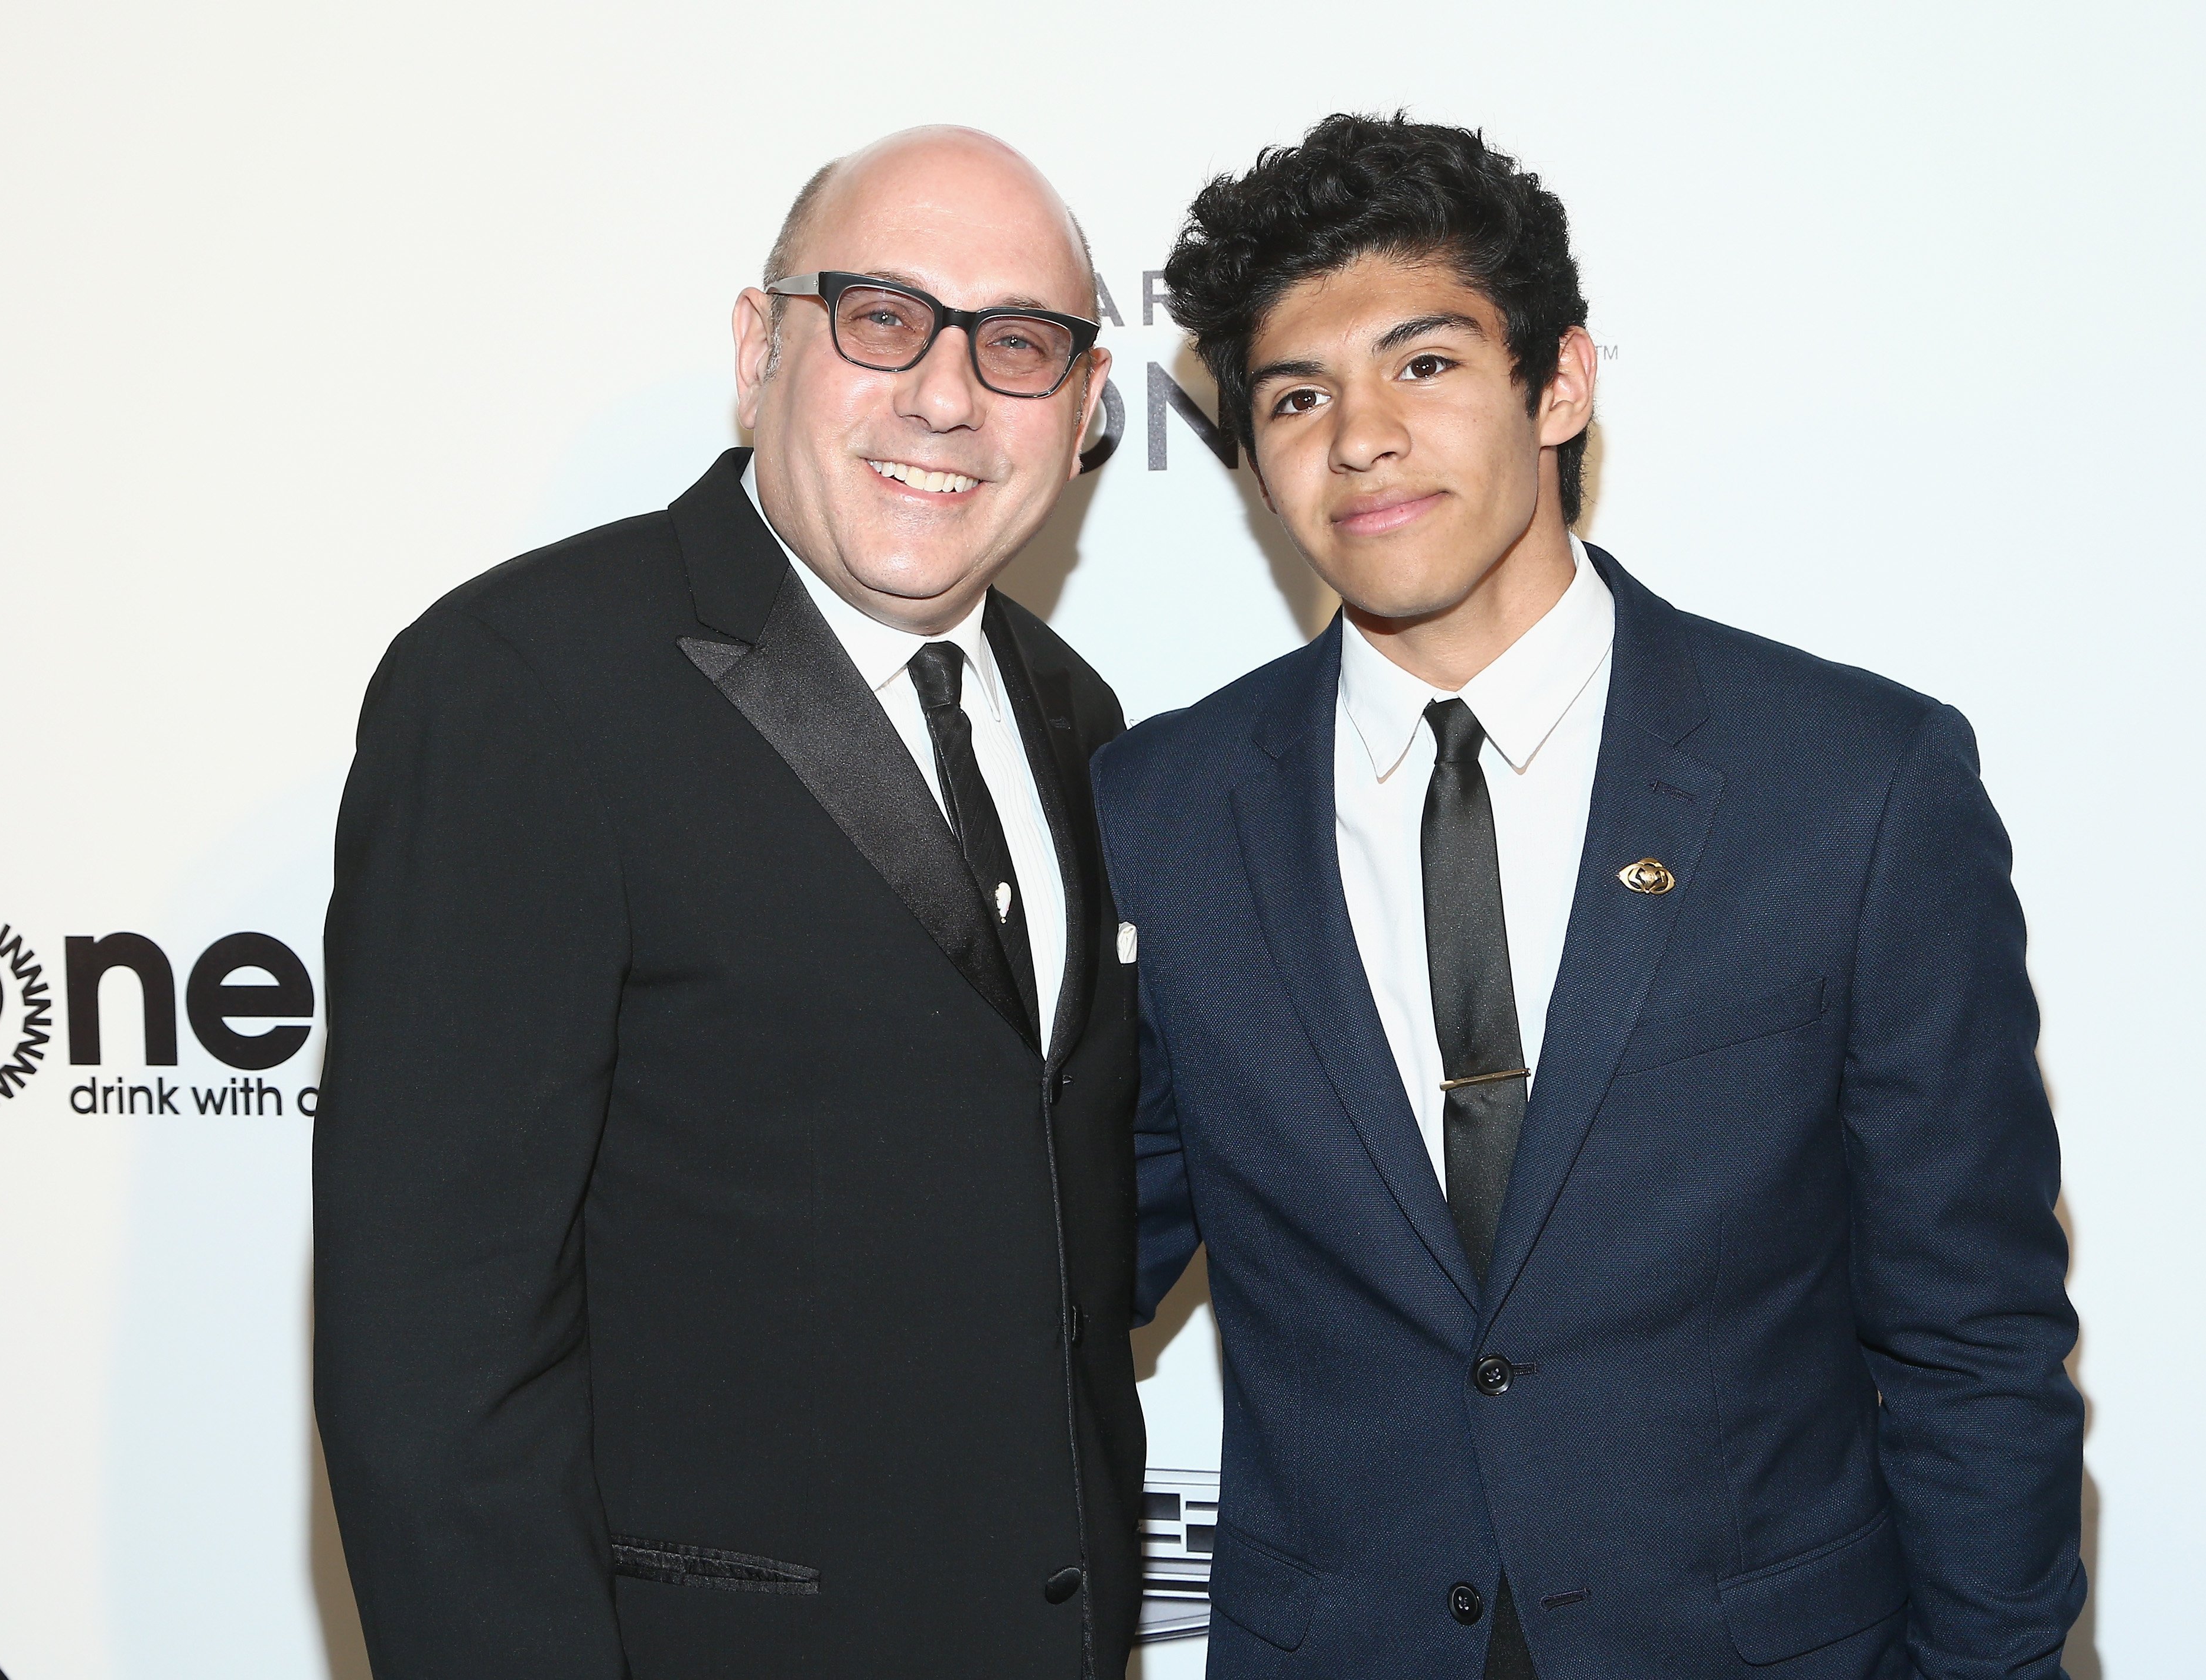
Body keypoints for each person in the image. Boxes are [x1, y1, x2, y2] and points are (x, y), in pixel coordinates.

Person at [1094, 113, 2083, 1679]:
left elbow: (1972, 1338)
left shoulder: (1853, 786)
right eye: (1296, 395)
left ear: (1555, 382)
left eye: (1422, 365)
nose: (1357, 435)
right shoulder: (1157, 811)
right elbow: (1059, 1269)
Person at [313, 126, 1146, 1680]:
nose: (946, 394)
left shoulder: (1073, 718)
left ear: (1088, 406)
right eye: (881, 317)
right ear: (761, 345)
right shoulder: (523, 686)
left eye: (1018, 344)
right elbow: (431, 1364)